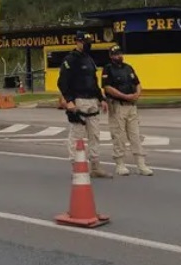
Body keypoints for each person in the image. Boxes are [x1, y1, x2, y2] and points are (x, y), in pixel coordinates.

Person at [57, 31, 111, 178]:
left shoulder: (89, 59)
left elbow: (94, 82)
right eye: (85, 41)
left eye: (89, 41)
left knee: (95, 135)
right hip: (78, 101)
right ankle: (77, 166)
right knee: (77, 136)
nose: (87, 44)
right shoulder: (70, 59)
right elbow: (62, 82)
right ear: (78, 42)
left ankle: (95, 166)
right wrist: (69, 101)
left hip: (92, 100)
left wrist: (102, 99)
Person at [101, 45, 154, 176]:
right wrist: (124, 96)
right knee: (118, 136)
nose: (119, 56)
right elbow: (107, 87)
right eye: (116, 54)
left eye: (120, 53)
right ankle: (120, 164)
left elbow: (137, 83)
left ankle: (141, 165)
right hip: (118, 106)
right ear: (111, 56)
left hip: (131, 107)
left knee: (135, 135)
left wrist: (137, 94)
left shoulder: (128, 68)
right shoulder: (108, 69)